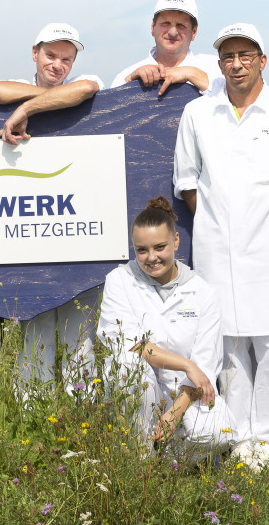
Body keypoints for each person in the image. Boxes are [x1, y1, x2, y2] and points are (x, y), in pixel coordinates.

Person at [173, 23, 269, 468]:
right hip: (215, 249)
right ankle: (238, 437)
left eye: (246, 55)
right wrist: (221, 221)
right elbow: (187, 179)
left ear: (263, 61)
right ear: (220, 62)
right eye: (228, 56)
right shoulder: (199, 114)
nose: (236, 64)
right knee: (228, 349)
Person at [0, 23, 103, 394]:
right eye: (51, 55)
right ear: (34, 52)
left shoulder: (85, 81)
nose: (58, 65)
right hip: (29, 232)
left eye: (67, 59)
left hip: (75, 231)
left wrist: (26, 110)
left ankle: (83, 413)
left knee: (79, 334)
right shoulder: (14, 82)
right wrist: (53, 97)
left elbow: (86, 89)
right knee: (35, 331)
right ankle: (32, 413)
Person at [97, 197, 234, 461]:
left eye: (160, 247)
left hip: (186, 392)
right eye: (141, 250)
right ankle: (141, 458)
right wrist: (186, 364)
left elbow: (205, 362)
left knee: (217, 433)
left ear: (175, 242)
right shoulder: (119, 281)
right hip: (141, 391)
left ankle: (177, 459)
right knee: (129, 368)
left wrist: (175, 411)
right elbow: (133, 344)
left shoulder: (202, 292)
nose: (151, 258)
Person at [110, 0, 222, 93]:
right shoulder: (127, 76)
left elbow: (236, 100)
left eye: (181, 25)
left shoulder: (218, 69)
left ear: (194, 32)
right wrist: (130, 82)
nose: (173, 32)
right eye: (166, 23)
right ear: (152, 27)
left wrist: (191, 74)